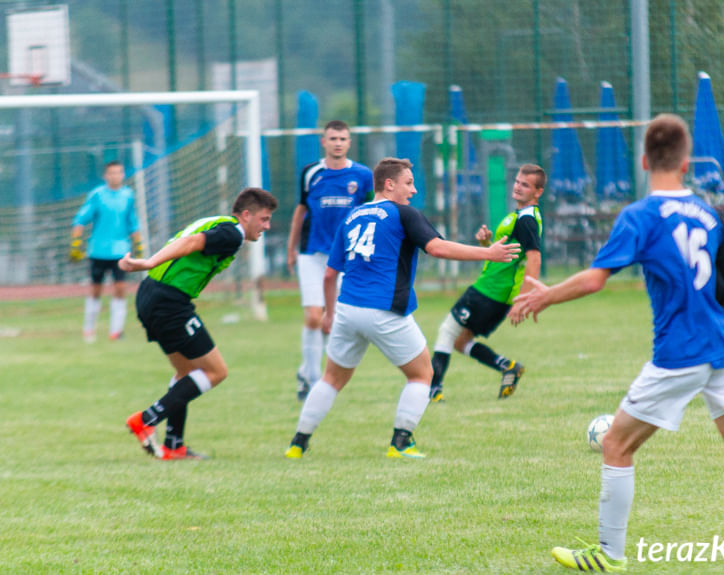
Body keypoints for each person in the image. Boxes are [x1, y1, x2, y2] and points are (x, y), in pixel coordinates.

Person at [511, 114, 724, 571]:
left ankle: (608, 555)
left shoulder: (640, 216)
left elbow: (597, 279)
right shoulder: (709, 214)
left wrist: (547, 295)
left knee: (617, 443)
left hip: (682, 352)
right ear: (685, 162)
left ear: (643, 160)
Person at [284, 158, 520, 460]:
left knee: (331, 378)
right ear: (389, 184)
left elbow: (330, 275)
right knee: (423, 373)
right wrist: (488, 253)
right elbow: (437, 247)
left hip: (347, 308)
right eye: (408, 183)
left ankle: (298, 443)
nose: (413, 189)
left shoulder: (353, 215)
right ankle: (401, 442)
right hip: (384, 309)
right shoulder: (402, 213)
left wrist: (329, 313)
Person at [121, 188, 278, 460]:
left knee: (186, 373)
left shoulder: (220, 222)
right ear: (246, 215)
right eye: (264, 219)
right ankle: (146, 420)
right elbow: (192, 243)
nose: (267, 225)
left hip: (151, 295)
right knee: (216, 372)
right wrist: (149, 262)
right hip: (169, 301)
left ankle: (174, 445)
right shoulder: (233, 233)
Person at [429, 164, 544, 402]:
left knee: (447, 332)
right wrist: (487, 244)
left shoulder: (526, 220)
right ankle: (507, 367)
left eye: (525, 184)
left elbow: (534, 258)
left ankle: (432, 390)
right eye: (517, 181)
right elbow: (509, 254)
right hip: (494, 291)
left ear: (538, 192)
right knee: (461, 341)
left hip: (490, 291)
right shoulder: (519, 217)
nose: (518, 187)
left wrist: (524, 298)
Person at [287, 120, 374, 401]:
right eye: (333, 138)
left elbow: (373, 211)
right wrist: (291, 249)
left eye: (343, 138)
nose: (338, 143)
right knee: (314, 316)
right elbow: (300, 211)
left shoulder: (362, 176)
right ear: (323, 142)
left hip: (347, 258)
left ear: (349, 143)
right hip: (311, 254)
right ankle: (312, 382)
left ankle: (306, 371)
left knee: (332, 320)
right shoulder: (310, 173)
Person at [69, 161, 144, 343]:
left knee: (119, 289)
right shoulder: (97, 195)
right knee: (95, 290)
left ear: (123, 174)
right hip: (98, 250)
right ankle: (89, 330)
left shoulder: (128, 195)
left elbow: (132, 222)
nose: (115, 176)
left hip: (120, 250)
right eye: (111, 173)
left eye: (118, 172)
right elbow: (80, 219)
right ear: (105, 176)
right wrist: (75, 243)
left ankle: (116, 332)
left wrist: (139, 245)